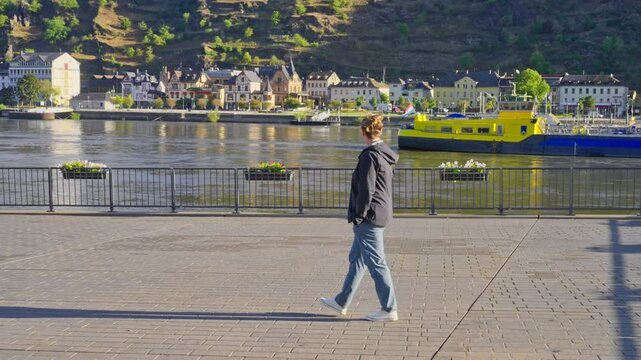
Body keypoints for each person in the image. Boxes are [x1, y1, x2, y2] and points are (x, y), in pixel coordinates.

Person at [319, 113, 399, 322]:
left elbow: (366, 189)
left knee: (376, 263)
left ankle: (389, 308)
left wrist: (359, 216)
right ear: (379, 131)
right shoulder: (384, 154)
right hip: (380, 212)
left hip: (368, 217)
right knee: (358, 259)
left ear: (363, 132)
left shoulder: (369, 156)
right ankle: (341, 301)